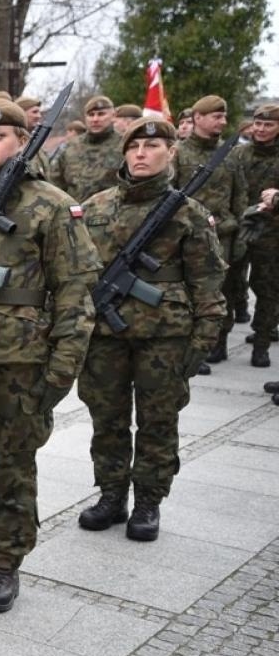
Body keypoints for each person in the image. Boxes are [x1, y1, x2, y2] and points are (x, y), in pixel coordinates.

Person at [0, 99, 99, 613]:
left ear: (20, 142)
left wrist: (60, 369)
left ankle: (5, 563)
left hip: (21, 361)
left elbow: (74, 293)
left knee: (13, 465)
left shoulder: (51, 205)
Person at [76, 117, 226, 541]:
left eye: (152, 145)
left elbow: (208, 284)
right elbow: (75, 274)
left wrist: (202, 342)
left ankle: (148, 501)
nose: (141, 153)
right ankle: (111, 494)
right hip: (104, 334)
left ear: (171, 152)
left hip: (165, 337)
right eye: (134, 147)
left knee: (158, 421)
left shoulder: (188, 213)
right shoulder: (95, 207)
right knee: (107, 418)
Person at [173, 96, 246, 364]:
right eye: (216, 117)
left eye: (224, 117)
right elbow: (171, 193)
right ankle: (193, 345)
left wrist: (241, 235)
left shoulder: (231, 153)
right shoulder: (178, 153)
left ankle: (219, 341)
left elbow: (240, 195)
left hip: (222, 234)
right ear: (198, 118)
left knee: (221, 291)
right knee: (189, 290)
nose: (222, 122)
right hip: (188, 235)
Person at [239, 105, 279, 365]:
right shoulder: (238, 154)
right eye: (258, 123)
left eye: (269, 125)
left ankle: (261, 343)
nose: (261, 129)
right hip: (239, 231)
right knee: (231, 288)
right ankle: (218, 344)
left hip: (272, 234)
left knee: (267, 290)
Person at [51, 95, 124, 202]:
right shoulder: (71, 146)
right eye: (91, 115)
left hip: (111, 214)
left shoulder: (125, 145)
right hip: (73, 212)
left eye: (101, 114)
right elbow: (55, 182)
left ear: (113, 116)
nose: (95, 119)